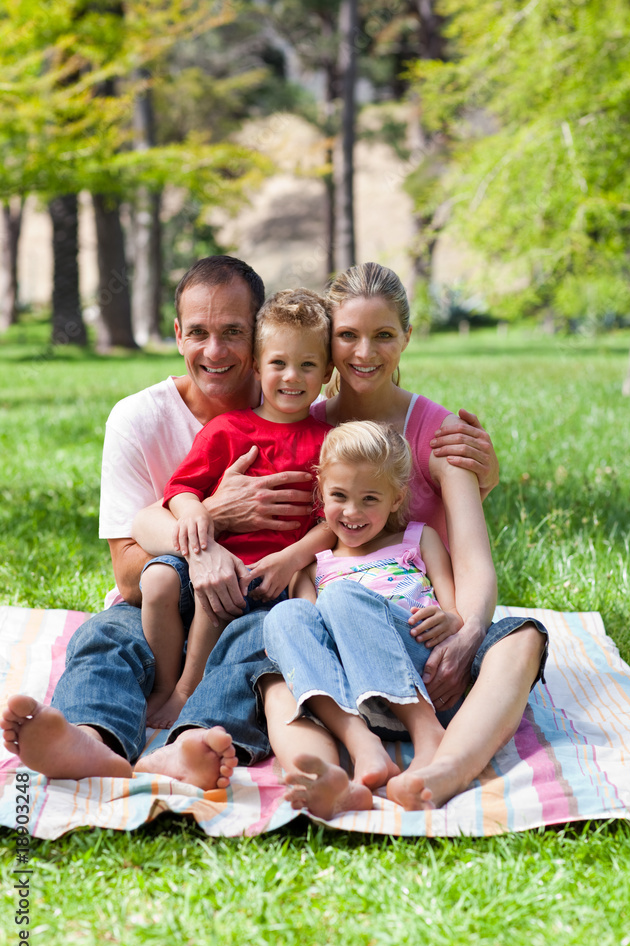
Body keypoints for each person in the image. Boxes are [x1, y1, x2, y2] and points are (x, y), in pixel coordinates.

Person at [1, 255, 499, 793]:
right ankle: (90, 737)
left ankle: (188, 745)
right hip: (168, 589)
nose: (215, 351)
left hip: (263, 593)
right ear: (178, 334)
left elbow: (353, 520)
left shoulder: (313, 421)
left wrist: (483, 482)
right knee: (108, 634)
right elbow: (129, 575)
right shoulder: (143, 417)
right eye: (199, 332)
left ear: (261, 339)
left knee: (257, 643)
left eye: (233, 332)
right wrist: (210, 525)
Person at [257, 262, 549, 815]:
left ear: (407, 337)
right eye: (347, 335)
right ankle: (333, 769)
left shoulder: (440, 434)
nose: (365, 352)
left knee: (522, 639)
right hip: (340, 641)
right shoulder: (306, 425)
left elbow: (472, 560)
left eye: (384, 334)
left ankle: (442, 769)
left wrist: (467, 631)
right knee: (274, 647)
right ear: (328, 340)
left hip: (424, 632)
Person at [135, 289, 333, 729]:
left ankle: (189, 694)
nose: (291, 377)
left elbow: (331, 523)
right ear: (258, 365)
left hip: (275, 572)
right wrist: (198, 520)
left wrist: (290, 558)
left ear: (327, 372)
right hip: (211, 558)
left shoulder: (329, 444)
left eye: (307, 365)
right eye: (278, 363)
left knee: (225, 597)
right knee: (161, 578)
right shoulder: (229, 430)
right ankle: (165, 686)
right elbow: (181, 490)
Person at [262, 421, 464, 817]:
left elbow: (454, 609)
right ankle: (364, 747)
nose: (352, 512)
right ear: (321, 493)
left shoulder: (418, 539)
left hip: (419, 674)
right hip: (354, 697)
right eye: (339, 496)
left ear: (396, 498)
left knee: (339, 596)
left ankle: (428, 735)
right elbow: (312, 642)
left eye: (370, 498)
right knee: (285, 615)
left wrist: (451, 619)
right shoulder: (314, 567)